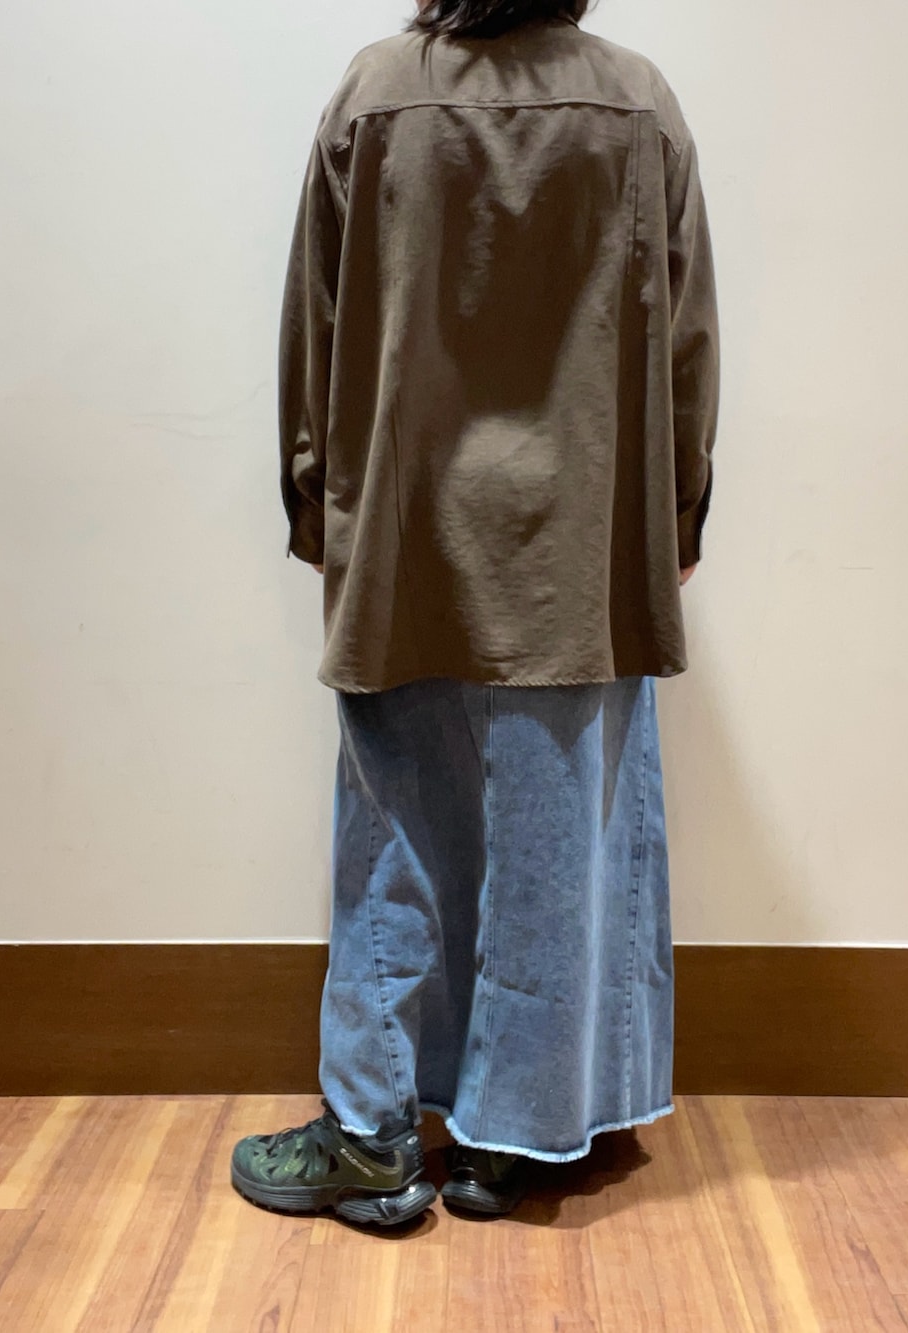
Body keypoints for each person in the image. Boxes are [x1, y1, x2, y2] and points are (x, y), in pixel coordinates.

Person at [231, 0, 719, 1227]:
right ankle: (517, 1136)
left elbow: (313, 326)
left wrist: (319, 510)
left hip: (405, 525)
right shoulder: (636, 103)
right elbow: (685, 344)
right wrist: (673, 523)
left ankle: (373, 1133)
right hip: (584, 537)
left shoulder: (374, 95)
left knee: (392, 827)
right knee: (563, 838)